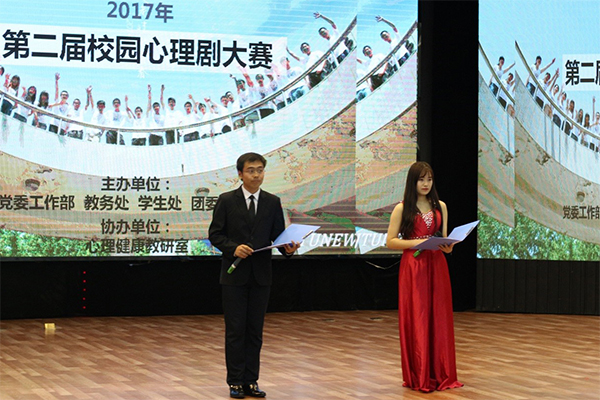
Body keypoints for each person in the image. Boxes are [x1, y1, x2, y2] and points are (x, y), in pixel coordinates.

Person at [208, 152, 300, 399]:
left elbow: (278, 238)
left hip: (261, 276)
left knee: (255, 331)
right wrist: (233, 248)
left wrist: (289, 248)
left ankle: (251, 380)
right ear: (240, 174)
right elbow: (215, 235)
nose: (256, 175)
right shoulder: (227, 200)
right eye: (251, 170)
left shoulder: (272, 201)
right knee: (235, 330)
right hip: (234, 275)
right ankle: (235, 381)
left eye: (260, 170)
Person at [386, 161, 463, 393]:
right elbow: (391, 242)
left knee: (439, 316)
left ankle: (441, 373)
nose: (426, 184)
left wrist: (448, 246)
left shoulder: (441, 206)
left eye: (429, 179)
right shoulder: (402, 208)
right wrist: (418, 243)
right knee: (418, 316)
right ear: (413, 181)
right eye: (421, 179)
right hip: (414, 267)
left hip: (437, 265)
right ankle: (419, 374)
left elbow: (444, 239)